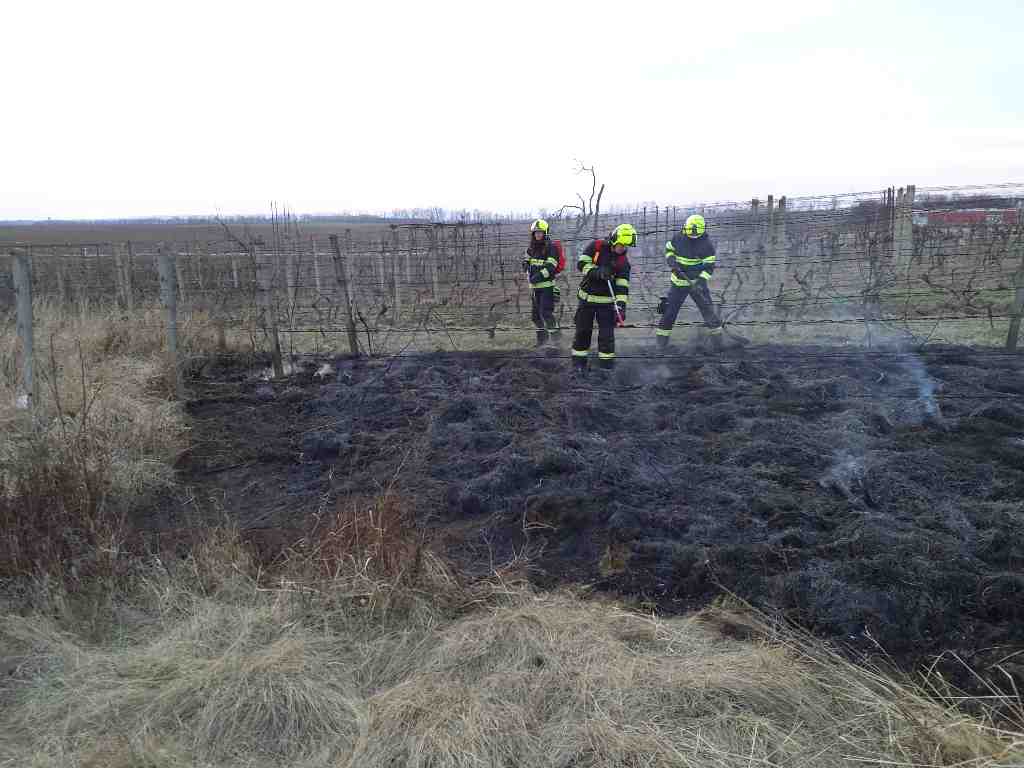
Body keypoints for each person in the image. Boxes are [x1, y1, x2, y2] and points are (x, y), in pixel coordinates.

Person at [571, 223, 634, 372]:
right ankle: (578, 366)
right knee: (582, 333)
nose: (622, 248)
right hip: (586, 300)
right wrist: (597, 272)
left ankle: (606, 368)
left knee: (607, 337)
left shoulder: (623, 263)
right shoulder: (596, 246)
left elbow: (622, 287)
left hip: (606, 304)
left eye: (625, 246)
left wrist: (620, 307)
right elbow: (581, 263)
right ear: (614, 239)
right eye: (620, 245)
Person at [655, 213, 723, 348]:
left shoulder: (707, 246)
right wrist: (671, 261)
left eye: (693, 235)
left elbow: (709, 268)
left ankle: (718, 344)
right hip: (678, 284)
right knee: (669, 313)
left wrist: (700, 282)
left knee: (709, 311)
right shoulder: (678, 237)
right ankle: (660, 346)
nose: (690, 237)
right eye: (688, 233)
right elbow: (669, 249)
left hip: (697, 284)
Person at [521, 218, 563, 346]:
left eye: (540, 232)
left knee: (546, 313)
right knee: (535, 316)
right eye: (535, 232)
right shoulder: (532, 247)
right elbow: (527, 258)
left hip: (547, 287)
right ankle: (542, 341)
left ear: (545, 233)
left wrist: (538, 276)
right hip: (535, 288)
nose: (538, 234)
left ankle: (557, 341)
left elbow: (551, 267)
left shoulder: (551, 247)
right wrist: (525, 264)